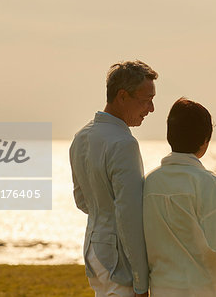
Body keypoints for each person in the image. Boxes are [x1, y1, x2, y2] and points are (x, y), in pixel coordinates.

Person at [69, 60, 158, 297]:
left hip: (94, 252)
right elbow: (129, 217)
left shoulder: (81, 136)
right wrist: (141, 282)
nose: (151, 108)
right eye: (146, 99)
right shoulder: (124, 143)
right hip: (119, 262)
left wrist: (103, 213)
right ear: (122, 96)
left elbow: (81, 200)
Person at [143, 98, 216, 297]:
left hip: (161, 289)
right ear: (205, 140)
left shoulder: (149, 182)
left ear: (170, 135)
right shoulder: (208, 183)